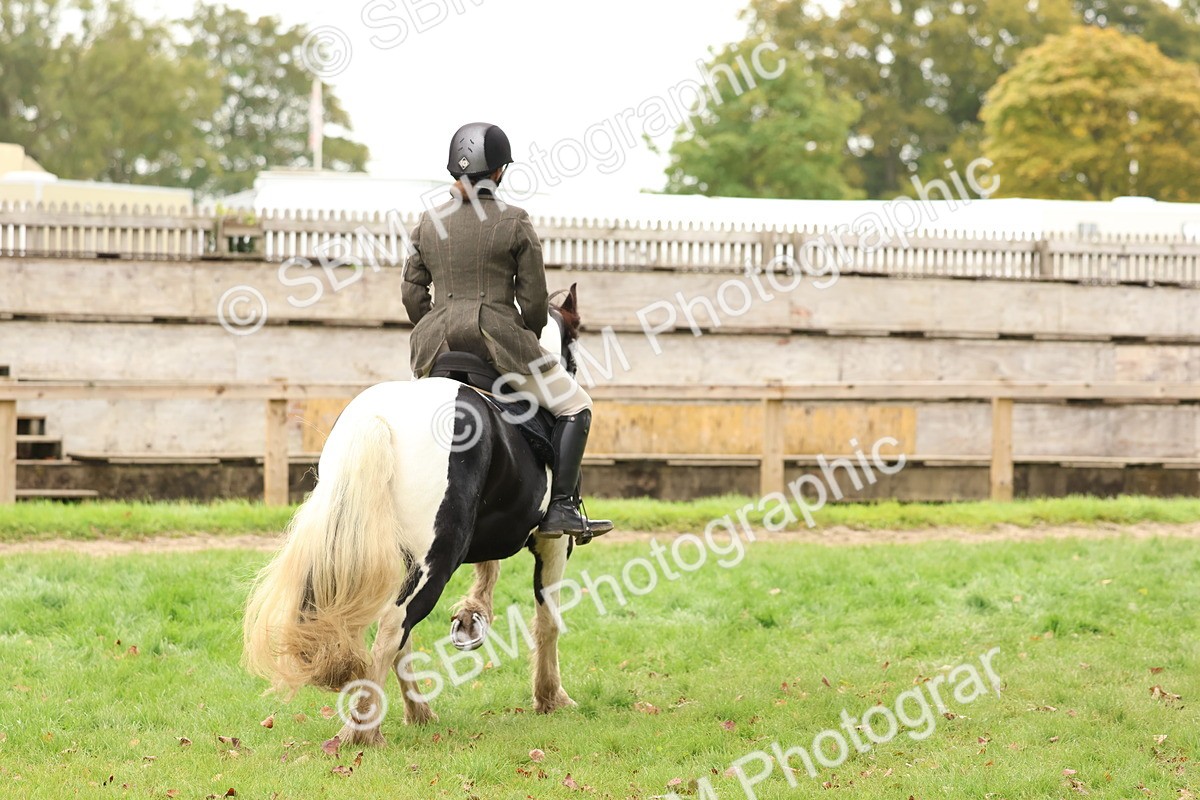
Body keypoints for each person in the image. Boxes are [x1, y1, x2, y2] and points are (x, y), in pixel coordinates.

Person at [402, 122, 610, 539]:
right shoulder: (515, 221)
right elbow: (534, 304)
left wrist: (435, 325)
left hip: (437, 349)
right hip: (498, 346)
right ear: (499, 172)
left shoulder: (427, 223)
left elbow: (412, 294)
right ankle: (564, 508)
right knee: (575, 405)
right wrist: (524, 332)